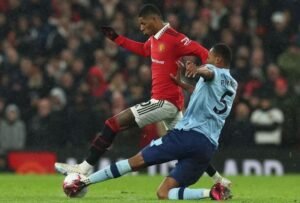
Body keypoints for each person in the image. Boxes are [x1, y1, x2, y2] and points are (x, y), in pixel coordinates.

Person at [55, 4, 230, 186]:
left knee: (113, 123)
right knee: (190, 147)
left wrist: (201, 70)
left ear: (154, 20)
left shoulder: (175, 38)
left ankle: (83, 167)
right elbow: (143, 49)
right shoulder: (154, 39)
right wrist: (117, 39)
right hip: (171, 105)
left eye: (143, 24)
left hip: (164, 102)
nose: (141, 28)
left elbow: (202, 52)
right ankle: (219, 180)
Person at [64, 44, 237, 200]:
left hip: (187, 135)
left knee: (135, 162)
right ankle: (213, 192)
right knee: (164, 193)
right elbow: (205, 92)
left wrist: (197, 69)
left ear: (218, 60)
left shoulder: (212, 70)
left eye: (209, 58)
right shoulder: (233, 84)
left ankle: (84, 182)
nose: (206, 60)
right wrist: (181, 83)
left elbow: (209, 72)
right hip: (207, 146)